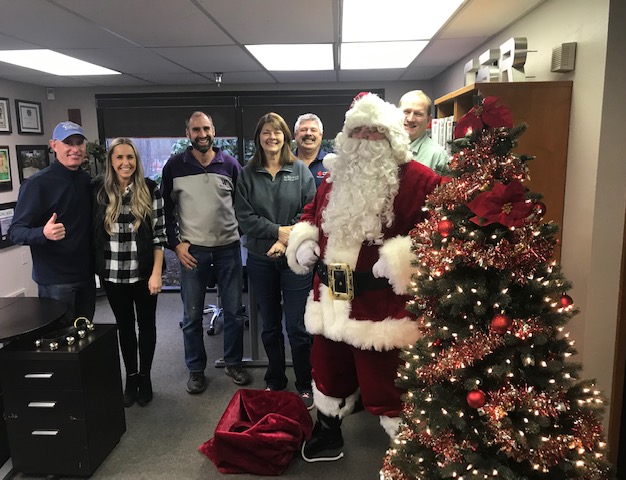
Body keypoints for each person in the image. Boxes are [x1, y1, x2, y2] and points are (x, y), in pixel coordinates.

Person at [286, 93, 442, 461]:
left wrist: (406, 258)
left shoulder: (423, 181)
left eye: (377, 133)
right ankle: (328, 433)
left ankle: (407, 451)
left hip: (380, 308)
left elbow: (442, 233)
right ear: (348, 138)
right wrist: (305, 238)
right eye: (360, 132)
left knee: (385, 382)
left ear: (393, 138)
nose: (367, 140)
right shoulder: (334, 176)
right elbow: (312, 212)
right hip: (331, 298)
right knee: (327, 369)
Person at [161, 111, 250, 394]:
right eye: (196, 129)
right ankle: (196, 370)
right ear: (187, 133)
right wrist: (175, 243)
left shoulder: (231, 164)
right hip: (192, 252)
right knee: (191, 316)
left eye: (207, 128)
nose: (202, 134)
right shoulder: (175, 166)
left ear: (214, 131)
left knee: (235, 312)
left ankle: (233, 363)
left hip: (228, 250)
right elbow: (163, 211)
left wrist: (239, 235)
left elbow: (244, 207)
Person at [235, 112, 316, 409]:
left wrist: (286, 241)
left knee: (297, 325)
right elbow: (244, 217)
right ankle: (275, 378)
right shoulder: (247, 174)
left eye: (277, 132)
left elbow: (309, 212)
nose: (272, 137)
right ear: (259, 137)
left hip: (295, 259)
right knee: (269, 324)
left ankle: (305, 383)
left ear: (286, 137)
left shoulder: (300, 170)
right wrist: (276, 233)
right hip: (260, 259)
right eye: (266, 132)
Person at [93, 138, 167, 407]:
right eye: (119, 157)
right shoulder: (99, 191)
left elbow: (160, 236)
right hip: (112, 275)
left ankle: (145, 377)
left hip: (144, 273)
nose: (125, 163)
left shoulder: (150, 189)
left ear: (136, 161)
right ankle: (131, 377)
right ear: (111, 162)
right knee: (124, 326)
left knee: (146, 325)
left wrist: (157, 273)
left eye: (130, 157)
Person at [9, 121, 95, 324]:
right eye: (68, 143)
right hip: (55, 279)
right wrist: (43, 233)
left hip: (86, 274)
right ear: (54, 145)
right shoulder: (37, 184)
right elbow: (16, 231)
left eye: (79, 143)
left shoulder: (86, 180)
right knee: (60, 341)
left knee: (86, 338)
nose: (75, 149)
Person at [399, 90, 449, 170]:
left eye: (418, 114)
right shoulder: (384, 147)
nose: (410, 119)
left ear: (428, 120)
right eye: (406, 112)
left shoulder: (438, 156)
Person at [293, 113, 328, 187]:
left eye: (313, 130)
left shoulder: (332, 164)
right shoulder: (284, 162)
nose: (308, 133)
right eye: (303, 130)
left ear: (321, 136)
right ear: (295, 135)